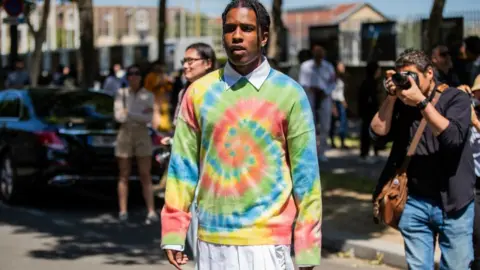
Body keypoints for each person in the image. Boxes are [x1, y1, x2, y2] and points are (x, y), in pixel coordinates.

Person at [161, 1, 322, 269]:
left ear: (264, 36)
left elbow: (307, 177)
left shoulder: (290, 93)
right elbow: (182, 168)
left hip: (268, 243)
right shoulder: (199, 93)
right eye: (230, 28)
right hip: (211, 239)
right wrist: (174, 233)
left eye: (247, 28)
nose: (237, 35)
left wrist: (307, 246)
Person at [371, 49, 475, 269]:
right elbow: (377, 134)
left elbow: (453, 138)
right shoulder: (401, 101)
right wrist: (391, 97)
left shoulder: (456, 98)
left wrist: (421, 102)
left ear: (429, 72)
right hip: (415, 202)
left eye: (411, 75)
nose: (407, 82)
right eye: (402, 76)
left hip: (454, 203)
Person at [159, 42, 217, 262]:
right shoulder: (185, 91)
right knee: (194, 229)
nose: (185, 66)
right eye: (184, 61)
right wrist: (174, 141)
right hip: (188, 171)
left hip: (213, 173)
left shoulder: (217, 92)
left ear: (208, 63)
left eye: (191, 60)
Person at [113, 64, 158, 225]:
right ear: (127, 77)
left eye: (137, 74)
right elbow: (119, 117)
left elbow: (148, 118)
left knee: (145, 173)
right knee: (123, 173)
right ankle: (123, 210)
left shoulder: (148, 95)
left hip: (142, 134)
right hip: (125, 133)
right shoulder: (121, 94)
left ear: (141, 77)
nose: (134, 77)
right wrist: (138, 114)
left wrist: (130, 113)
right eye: (131, 75)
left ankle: (151, 211)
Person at [299, 43, 336, 162]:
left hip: (325, 98)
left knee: (325, 125)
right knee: (310, 126)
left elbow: (332, 82)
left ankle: (323, 151)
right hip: (310, 98)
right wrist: (313, 90)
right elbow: (303, 83)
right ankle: (312, 152)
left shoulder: (328, 67)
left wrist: (325, 92)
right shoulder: (306, 66)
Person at [358, 61, 381, 163]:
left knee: (371, 132)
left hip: (368, 111)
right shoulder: (369, 83)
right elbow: (369, 99)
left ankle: (372, 152)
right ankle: (365, 153)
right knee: (368, 132)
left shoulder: (372, 82)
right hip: (369, 112)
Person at [144, 61, 173, 132]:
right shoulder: (150, 76)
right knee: (155, 118)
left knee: (165, 118)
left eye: (161, 66)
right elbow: (147, 89)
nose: (160, 68)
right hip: (154, 100)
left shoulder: (164, 75)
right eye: (158, 66)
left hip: (163, 100)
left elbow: (169, 89)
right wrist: (158, 85)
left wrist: (168, 82)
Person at [330, 61, 349, 149]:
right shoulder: (334, 78)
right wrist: (341, 101)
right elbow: (334, 92)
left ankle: (342, 141)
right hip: (336, 102)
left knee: (343, 122)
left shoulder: (342, 78)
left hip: (340, 101)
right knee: (335, 122)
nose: (343, 68)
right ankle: (332, 140)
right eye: (341, 67)